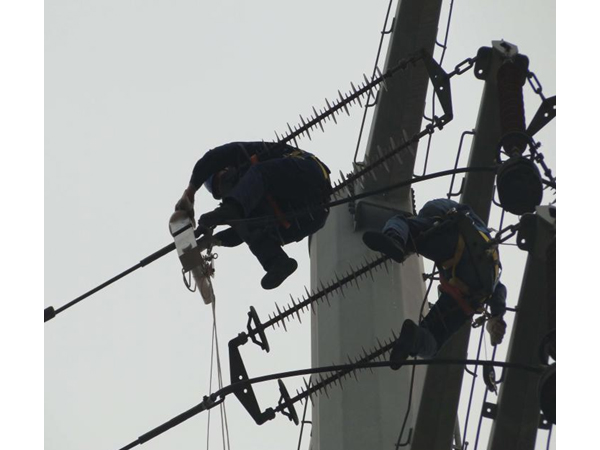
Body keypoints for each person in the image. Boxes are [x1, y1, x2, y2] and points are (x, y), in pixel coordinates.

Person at [362, 198, 507, 369]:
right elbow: (499, 290)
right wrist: (497, 315)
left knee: (403, 223)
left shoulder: (440, 212)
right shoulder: (488, 249)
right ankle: (414, 339)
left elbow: (433, 211)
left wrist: (411, 237)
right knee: (434, 339)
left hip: (454, 242)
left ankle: (395, 238)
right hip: (473, 291)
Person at [175, 141, 332, 290]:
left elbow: (212, 158)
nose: (223, 188)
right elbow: (239, 233)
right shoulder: (250, 197)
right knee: (248, 224)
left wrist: (190, 192)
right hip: (311, 217)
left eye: (221, 180)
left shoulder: (242, 156)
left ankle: (231, 209)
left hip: (308, 172)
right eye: (219, 190)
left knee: (256, 177)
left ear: (226, 168)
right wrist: (212, 241)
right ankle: (277, 262)